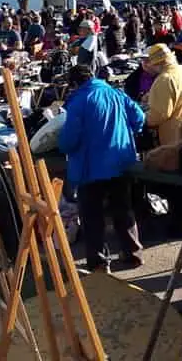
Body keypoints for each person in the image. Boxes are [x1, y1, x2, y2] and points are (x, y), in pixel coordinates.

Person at [58, 65, 145, 273]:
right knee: (123, 209)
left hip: (91, 166)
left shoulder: (79, 102)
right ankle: (133, 253)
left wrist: (61, 145)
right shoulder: (116, 93)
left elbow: (69, 141)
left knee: (92, 215)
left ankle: (98, 262)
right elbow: (139, 118)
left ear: (75, 84)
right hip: (121, 161)